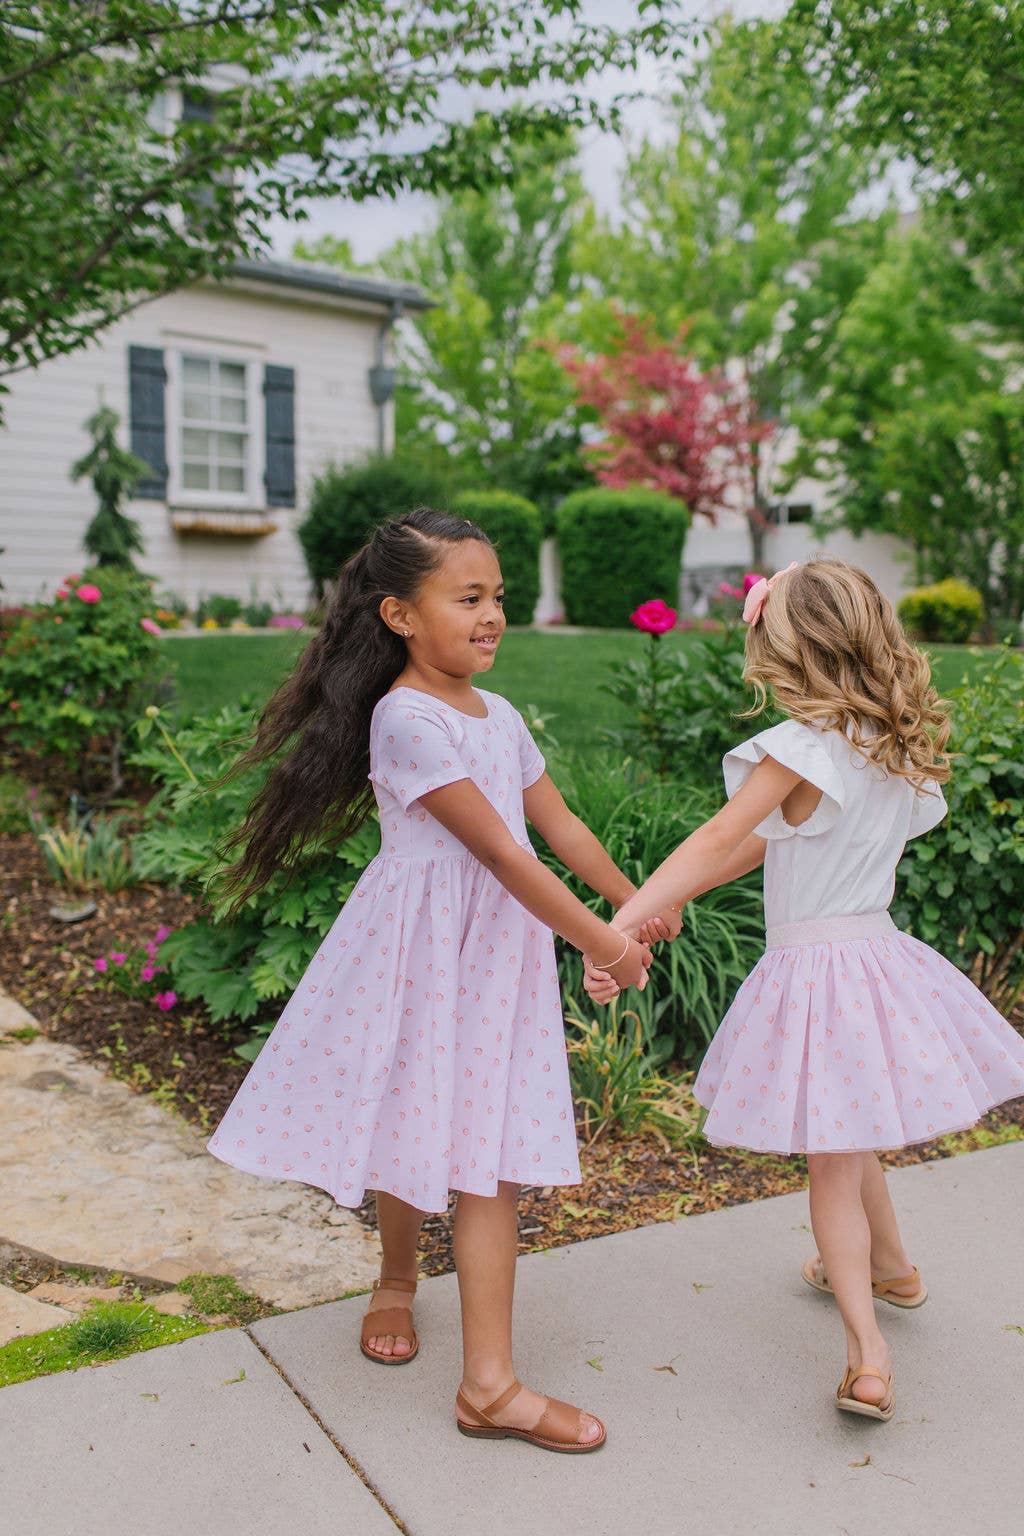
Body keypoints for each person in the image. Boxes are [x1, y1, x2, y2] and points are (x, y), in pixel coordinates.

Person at [207, 508, 673, 1453]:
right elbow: (503, 856)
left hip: (494, 958)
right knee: (413, 1124)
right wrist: (605, 945)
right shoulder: (405, 718)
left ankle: (488, 1385)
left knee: (487, 1155)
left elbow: (562, 829)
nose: (494, 613)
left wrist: (639, 906)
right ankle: (397, 1283)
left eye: (498, 595)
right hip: (423, 954)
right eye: (469, 598)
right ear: (399, 615)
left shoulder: (498, 715)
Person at [585, 557, 1024, 1422]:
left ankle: (866, 1353)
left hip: (820, 975)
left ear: (780, 648)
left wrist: (620, 923)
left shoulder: (797, 748)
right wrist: (665, 906)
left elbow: (719, 838)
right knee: (851, 1126)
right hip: (879, 960)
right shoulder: (888, 745)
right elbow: (772, 846)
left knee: (829, 1154)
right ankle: (891, 1271)